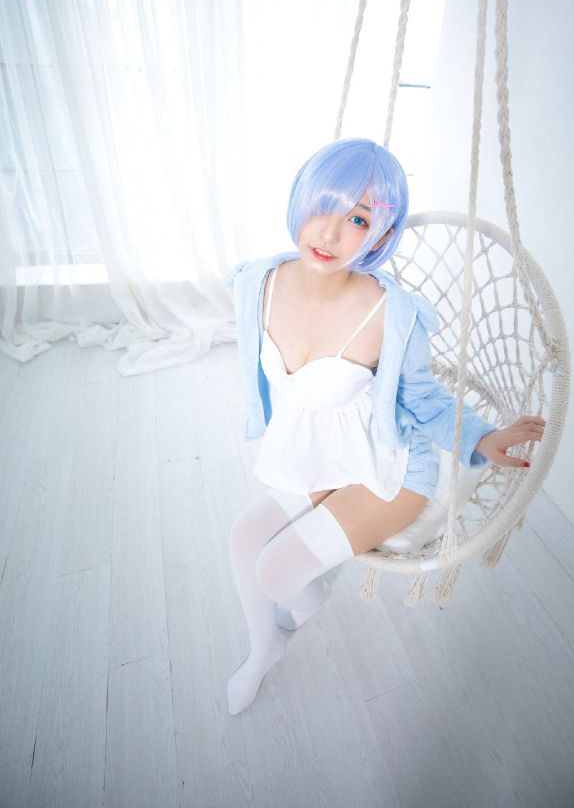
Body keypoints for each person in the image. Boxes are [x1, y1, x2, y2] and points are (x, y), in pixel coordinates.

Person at [222, 138, 546, 715]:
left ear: (380, 233)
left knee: (276, 574)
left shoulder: (392, 313)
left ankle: (309, 595)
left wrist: (481, 438)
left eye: (357, 219)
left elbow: (423, 398)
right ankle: (263, 647)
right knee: (244, 538)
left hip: (387, 471)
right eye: (323, 207)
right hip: (318, 452)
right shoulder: (257, 284)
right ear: (300, 200)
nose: (329, 233)